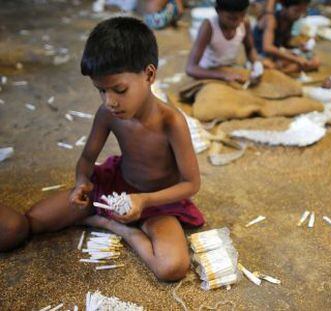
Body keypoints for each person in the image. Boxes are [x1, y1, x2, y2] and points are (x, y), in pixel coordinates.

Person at [0, 17, 204, 282]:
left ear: (149, 75)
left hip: (157, 201)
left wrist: (143, 201)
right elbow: (87, 158)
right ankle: (107, 216)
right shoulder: (106, 113)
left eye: (119, 89)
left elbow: (191, 183)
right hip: (113, 191)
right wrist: (82, 182)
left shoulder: (171, 122)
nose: (110, 101)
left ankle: (121, 229)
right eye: (101, 91)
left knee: (172, 268)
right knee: (25, 225)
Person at [186, 0, 262, 83]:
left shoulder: (244, 23)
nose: (238, 22)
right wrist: (222, 75)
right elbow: (191, 68)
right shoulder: (209, 27)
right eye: (231, 18)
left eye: (242, 15)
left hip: (230, 69)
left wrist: (257, 63)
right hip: (207, 73)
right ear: (217, 11)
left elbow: (250, 49)